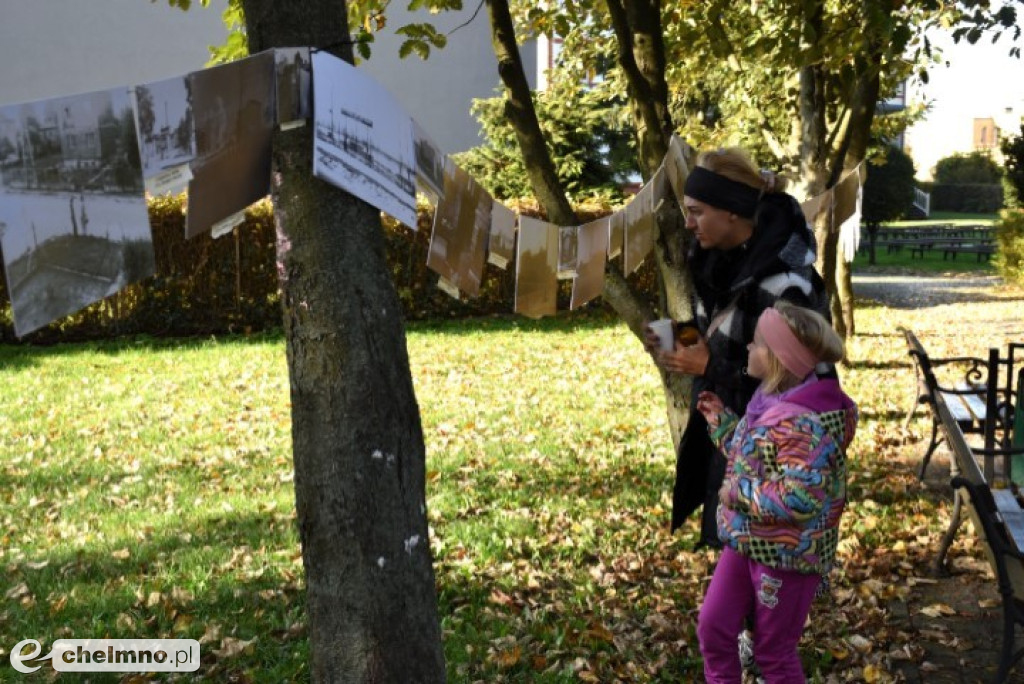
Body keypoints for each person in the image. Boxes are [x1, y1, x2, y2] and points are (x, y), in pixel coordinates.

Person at [643, 147, 831, 547]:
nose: (689, 223)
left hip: (775, 465)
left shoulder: (785, 286)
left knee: (756, 582)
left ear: (731, 210)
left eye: (697, 211)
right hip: (732, 442)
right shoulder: (717, 264)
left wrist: (710, 367)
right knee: (731, 573)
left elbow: (799, 383)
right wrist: (677, 337)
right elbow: (717, 330)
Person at [694, 301, 857, 683]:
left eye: (756, 344)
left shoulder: (805, 424)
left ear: (780, 358)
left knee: (773, 654)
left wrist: (738, 494)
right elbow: (758, 457)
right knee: (714, 628)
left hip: (787, 555)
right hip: (749, 540)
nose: (748, 350)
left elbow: (800, 498)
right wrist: (724, 426)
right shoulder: (771, 402)